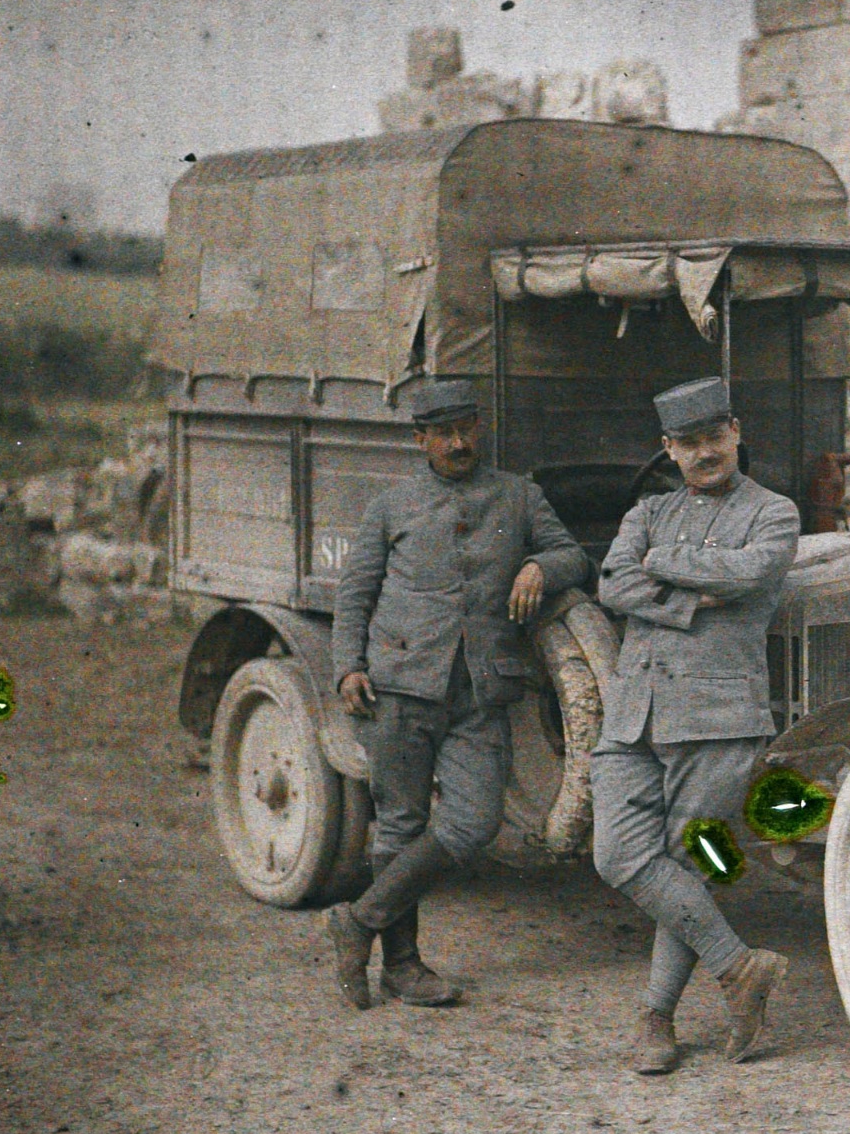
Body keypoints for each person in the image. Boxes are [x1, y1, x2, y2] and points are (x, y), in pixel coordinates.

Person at [326, 378, 590, 1010]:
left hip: (481, 687)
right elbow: (355, 593)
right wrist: (347, 668)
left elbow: (573, 556)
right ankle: (403, 965)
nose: (458, 442)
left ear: (480, 429)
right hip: (399, 685)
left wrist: (537, 567)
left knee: (474, 822)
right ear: (421, 440)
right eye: (443, 433)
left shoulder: (519, 496)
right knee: (398, 823)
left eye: (467, 428)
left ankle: (359, 920)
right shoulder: (390, 505)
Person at [592, 376, 801, 1075]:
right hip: (633, 714)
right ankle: (738, 968)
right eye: (688, 443)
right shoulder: (647, 510)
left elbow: (749, 574)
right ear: (668, 449)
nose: (704, 453)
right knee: (618, 855)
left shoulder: (775, 513)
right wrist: (691, 594)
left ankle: (656, 1018)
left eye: (715, 437)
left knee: (689, 870)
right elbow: (611, 583)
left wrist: (661, 565)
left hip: (717, 718)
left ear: (736, 432)